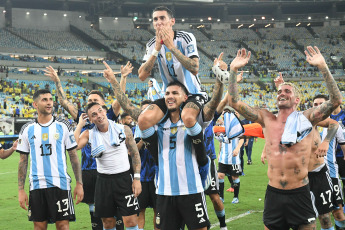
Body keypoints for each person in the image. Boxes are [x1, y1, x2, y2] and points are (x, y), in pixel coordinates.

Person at [224, 46, 342, 229]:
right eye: (279, 91)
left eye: (287, 91)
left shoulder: (307, 118)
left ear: (297, 100)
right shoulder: (266, 118)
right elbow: (234, 102)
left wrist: (323, 66)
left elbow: (335, 101)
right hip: (274, 194)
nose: (282, 93)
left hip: (300, 193)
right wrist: (233, 70)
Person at [102, 57, 225, 229]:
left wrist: (221, 76)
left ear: (185, 97)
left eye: (175, 93)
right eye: (167, 93)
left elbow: (213, 104)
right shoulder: (158, 124)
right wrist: (115, 82)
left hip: (192, 190)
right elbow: (128, 107)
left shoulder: (194, 118)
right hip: (164, 192)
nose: (170, 96)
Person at [44, 62, 133, 230]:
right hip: (88, 171)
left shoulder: (108, 116)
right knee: (96, 214)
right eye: (89, 100)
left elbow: (120, 99)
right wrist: (57, 81)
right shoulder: (82, 117)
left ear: (103, 104)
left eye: (95, 101)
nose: (91, 103)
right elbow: (63, 101)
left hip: (109, 170)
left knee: (117, 214)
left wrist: (123, 78)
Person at [138, 6, 211, 186]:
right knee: (143, 120)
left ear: (172, 21)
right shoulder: (150, 44)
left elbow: (194, 68)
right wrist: (156, 49)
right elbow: (141, 75)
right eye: (155, 19)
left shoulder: (185, 38)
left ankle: (203, 163)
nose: (158, 22)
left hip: (193, 93)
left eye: (162, 18)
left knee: (187, 117)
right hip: (170, 95)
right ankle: (160, 165)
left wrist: (171, 47)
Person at [16, 89, 84, 230]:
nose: (49, 103)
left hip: (61, 185)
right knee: (39, 227)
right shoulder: (27, 129)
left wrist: (79, 183)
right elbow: (23, 161)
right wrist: (21, 190)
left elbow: (73, 157)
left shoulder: (63, 125)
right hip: (37, 185)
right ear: (35, 104)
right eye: (44, 100)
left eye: (50, 99)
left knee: (63, 226)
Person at [74, 102, 141, 230]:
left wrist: (137, 178)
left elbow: (135, 154)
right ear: (91, 119)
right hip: (103, 181)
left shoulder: (123, 129)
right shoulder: (89, 133)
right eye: (94, 114)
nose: (99, 115)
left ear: (105, 111)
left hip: (124, 179)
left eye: (100, 111)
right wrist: (80, 124)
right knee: (108, 222)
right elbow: (74, 145)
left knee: (131, 220)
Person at [133, 100, 159, 230]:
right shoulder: (137, 129)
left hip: (157, 176)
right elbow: (133, 151)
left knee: (157, 210)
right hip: (141, 176)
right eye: (142, 110)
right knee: (140, 210)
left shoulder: (160, 126)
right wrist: (143, 139)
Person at [215, 109, 244, 205]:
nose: (223, 115)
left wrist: (237, 149)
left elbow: (241, 139)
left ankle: (236, 197)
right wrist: (219, 153)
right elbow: (221, 142)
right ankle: (221, 197)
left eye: (225, 114)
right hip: (224, 157)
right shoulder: (220, 127)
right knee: (220, 175)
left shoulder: (236, 125)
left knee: (234, 177)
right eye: (223, 114)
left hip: (234, 158)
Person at [330, 105, 345, 199]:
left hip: (342, 154)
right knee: (332, 181)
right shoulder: (327, 116)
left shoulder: (344, 114)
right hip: (330, 155)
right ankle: (336, 204)